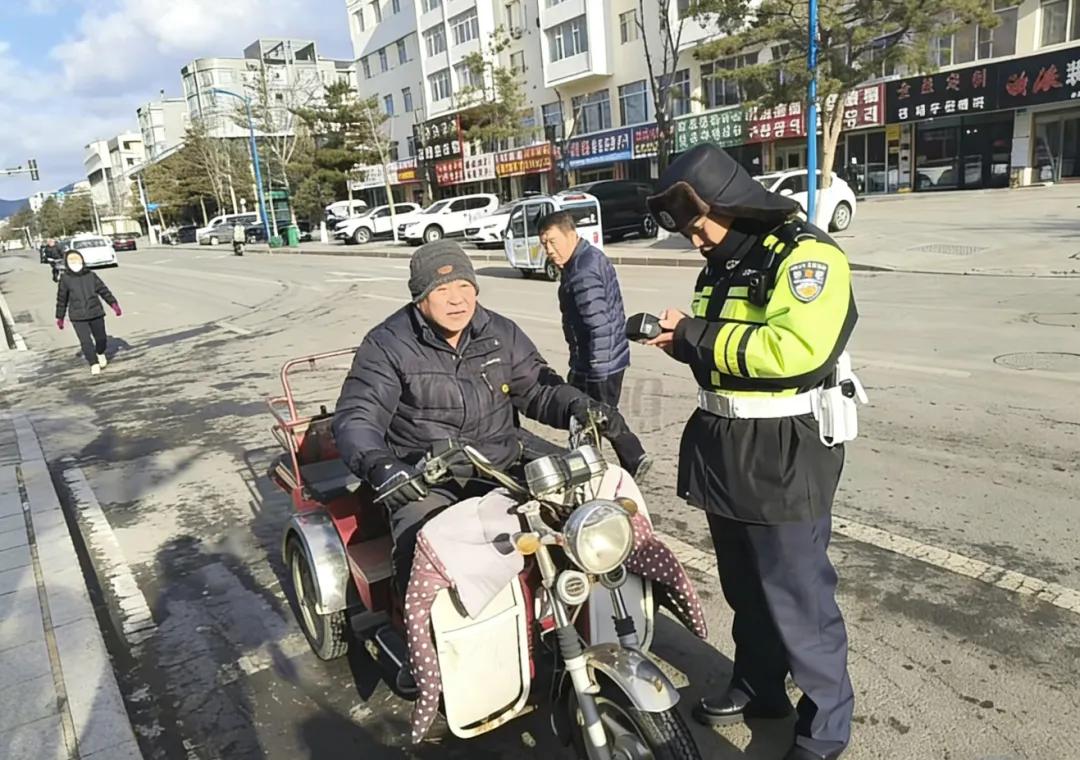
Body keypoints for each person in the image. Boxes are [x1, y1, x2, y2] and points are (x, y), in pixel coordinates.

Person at [642, 144, 860, 760]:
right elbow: (723, 351)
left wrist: (695, 333)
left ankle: (825, 730)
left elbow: (794, 352)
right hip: (724, 443)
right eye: (686, 233)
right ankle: (761, 685)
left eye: (699, 226)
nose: (695, 242)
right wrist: (680, 342)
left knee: (799, 597)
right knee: (746, 587)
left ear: (731, 206)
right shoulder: (722, 263)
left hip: (782, 450)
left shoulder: (807, 255)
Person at [332, 240, 648, 597]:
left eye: (465, 286)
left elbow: (540, 391)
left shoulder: (500, 332)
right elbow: (357, 417)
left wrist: (579, 405)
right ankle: (423, 641)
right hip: (428, 477)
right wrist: (381, 466)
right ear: (421, 297)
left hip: (503, 460)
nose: (458, 299)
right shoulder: (387, 344)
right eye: (443, 289)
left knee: (588, 508)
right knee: (419, 548)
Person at [538, 211, 631, 409]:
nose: (549, 250)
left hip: (600, 365)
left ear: (571, 235)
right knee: (595, 422)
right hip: (600, 361)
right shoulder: (582, 259)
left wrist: (595, 372)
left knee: (596, 421)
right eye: (544, 244)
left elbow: (598, 325)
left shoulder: (583, 270)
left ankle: (626, 441)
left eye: (553, 241)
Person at [55, 250, 122, 376]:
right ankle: (93, 363)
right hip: (78, 316)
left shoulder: (91, 275)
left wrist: (113, 304)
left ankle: (100, 352)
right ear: (67, 263)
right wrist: (60, 317)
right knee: (85, 341)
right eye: (71, 260)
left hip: (95, 312)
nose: (75, 262)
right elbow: (61, 298)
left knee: (101, 339)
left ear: (82, 260)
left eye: (77, 259)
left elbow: (103, 290)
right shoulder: (65, 279)